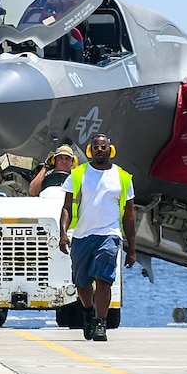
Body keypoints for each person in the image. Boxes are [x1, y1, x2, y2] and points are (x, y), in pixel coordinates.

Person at [59, 133, 136, 342]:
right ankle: (87, 311)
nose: (99, 150)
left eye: (103, 147)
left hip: (109, 235)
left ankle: (101, 323)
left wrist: (132, 248)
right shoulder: (78, 174)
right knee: (82, 283)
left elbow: (129, 216)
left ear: (109, 149)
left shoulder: (123, 178)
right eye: (95, 147)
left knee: (103, 280)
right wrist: (63, 233)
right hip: (83, 235)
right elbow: (66, 207)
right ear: (90, 150)